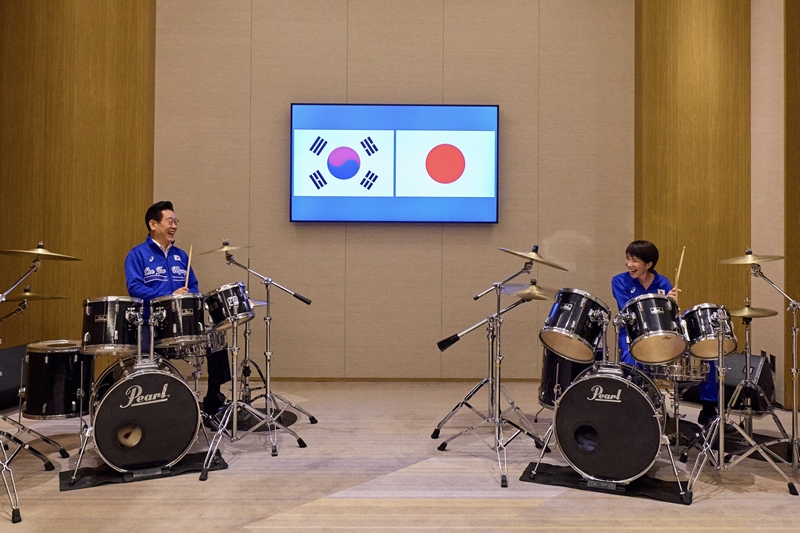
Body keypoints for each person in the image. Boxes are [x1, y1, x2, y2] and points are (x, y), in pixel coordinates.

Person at [125, 201, 230, 416]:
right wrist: (166, 297)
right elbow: (134, 288)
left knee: (216, 341)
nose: (174, 226)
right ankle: (148, 408)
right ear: (153, 224)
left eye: (176, 222)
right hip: (150, 323)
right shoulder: (137, 255)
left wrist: (190, 295)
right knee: (144, 358)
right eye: (170, 221)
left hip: (183, 323)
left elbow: (193, 285)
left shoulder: (181, 256)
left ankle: (212, 401)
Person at [611, 240, 718, 425]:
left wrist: (671, 303)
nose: (629, 264)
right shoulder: (619, 281)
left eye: (634, 260)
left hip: (664, 333)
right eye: (627, 259)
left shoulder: (663, 281)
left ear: (649, 264)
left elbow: (671, 315)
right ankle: (638, 405)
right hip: (632, 333)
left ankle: (709, 409)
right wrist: (659, 301)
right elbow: (626, 309)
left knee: (706, 354)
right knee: (632, 359)